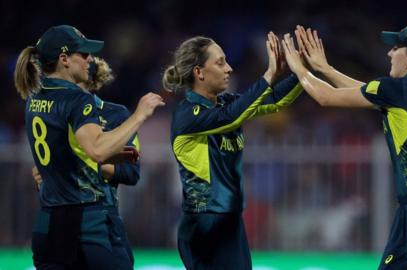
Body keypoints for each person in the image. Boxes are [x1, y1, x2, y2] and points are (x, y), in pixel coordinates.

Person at [281, 23, 407, 269]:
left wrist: (297, 67)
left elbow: (324, 97)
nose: (390, 53)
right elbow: (364, 91)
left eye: (396, 48)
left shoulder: (397, 90)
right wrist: (323, 67)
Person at [14, 25, 164, 269]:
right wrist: (139, 116)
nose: (89, 60)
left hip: (50, 219)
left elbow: (127, 170)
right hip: (90, 221)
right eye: (83, 54)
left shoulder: (35, 98)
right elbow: (97, 150)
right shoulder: (77, 99)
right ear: (64, 59)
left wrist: (56, 169)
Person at [163, 32, 303, 269]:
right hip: (205, 224)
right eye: (220, 62)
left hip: (230, 222)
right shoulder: (188, 114)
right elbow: (232, 117)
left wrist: (303, 70)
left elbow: (276, 102)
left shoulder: (226, 103)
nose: (229, 68)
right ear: (199, 72)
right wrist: (269, 75)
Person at [31, 56, 140, 267]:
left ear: (89, 79)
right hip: (58, 215)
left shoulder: (115, 114)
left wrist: (80, 163)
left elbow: (131, 172)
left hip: (101, 215)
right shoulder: (53, 106)